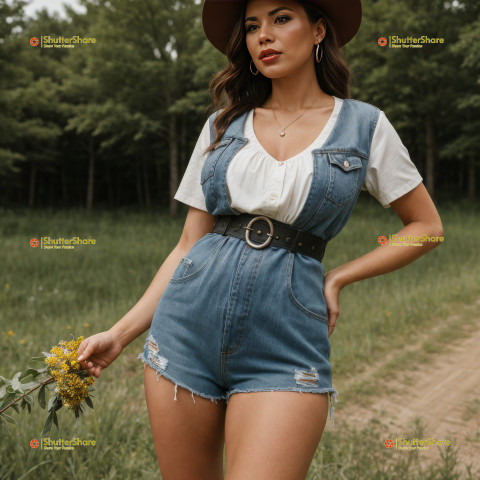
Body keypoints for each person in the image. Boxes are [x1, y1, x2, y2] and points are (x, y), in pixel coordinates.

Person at [77, 0, 444, 478]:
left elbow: (426, 227)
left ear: (317, 31)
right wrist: (119, 335)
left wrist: (338, 278)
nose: (264, 35)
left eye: (281, 19)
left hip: (285, 341)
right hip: (185, 331)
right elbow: (188, 245)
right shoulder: (221, 125)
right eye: (252, 26)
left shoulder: (364, 125)